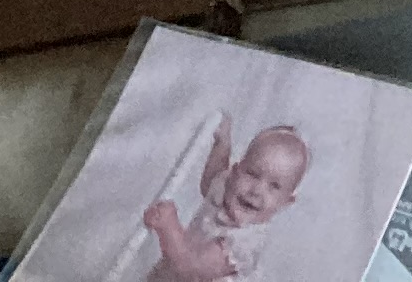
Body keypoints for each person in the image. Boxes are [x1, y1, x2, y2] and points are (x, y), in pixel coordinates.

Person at [132, 118, 310, 281]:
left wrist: (168, 226)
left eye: (274, 186)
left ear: (285, 202)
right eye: (252, 174)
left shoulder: (243, 243)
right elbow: (211, 181)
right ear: (235, 171)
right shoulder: (229, 190)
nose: (256, 190)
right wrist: (221, 144)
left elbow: (189, 268)